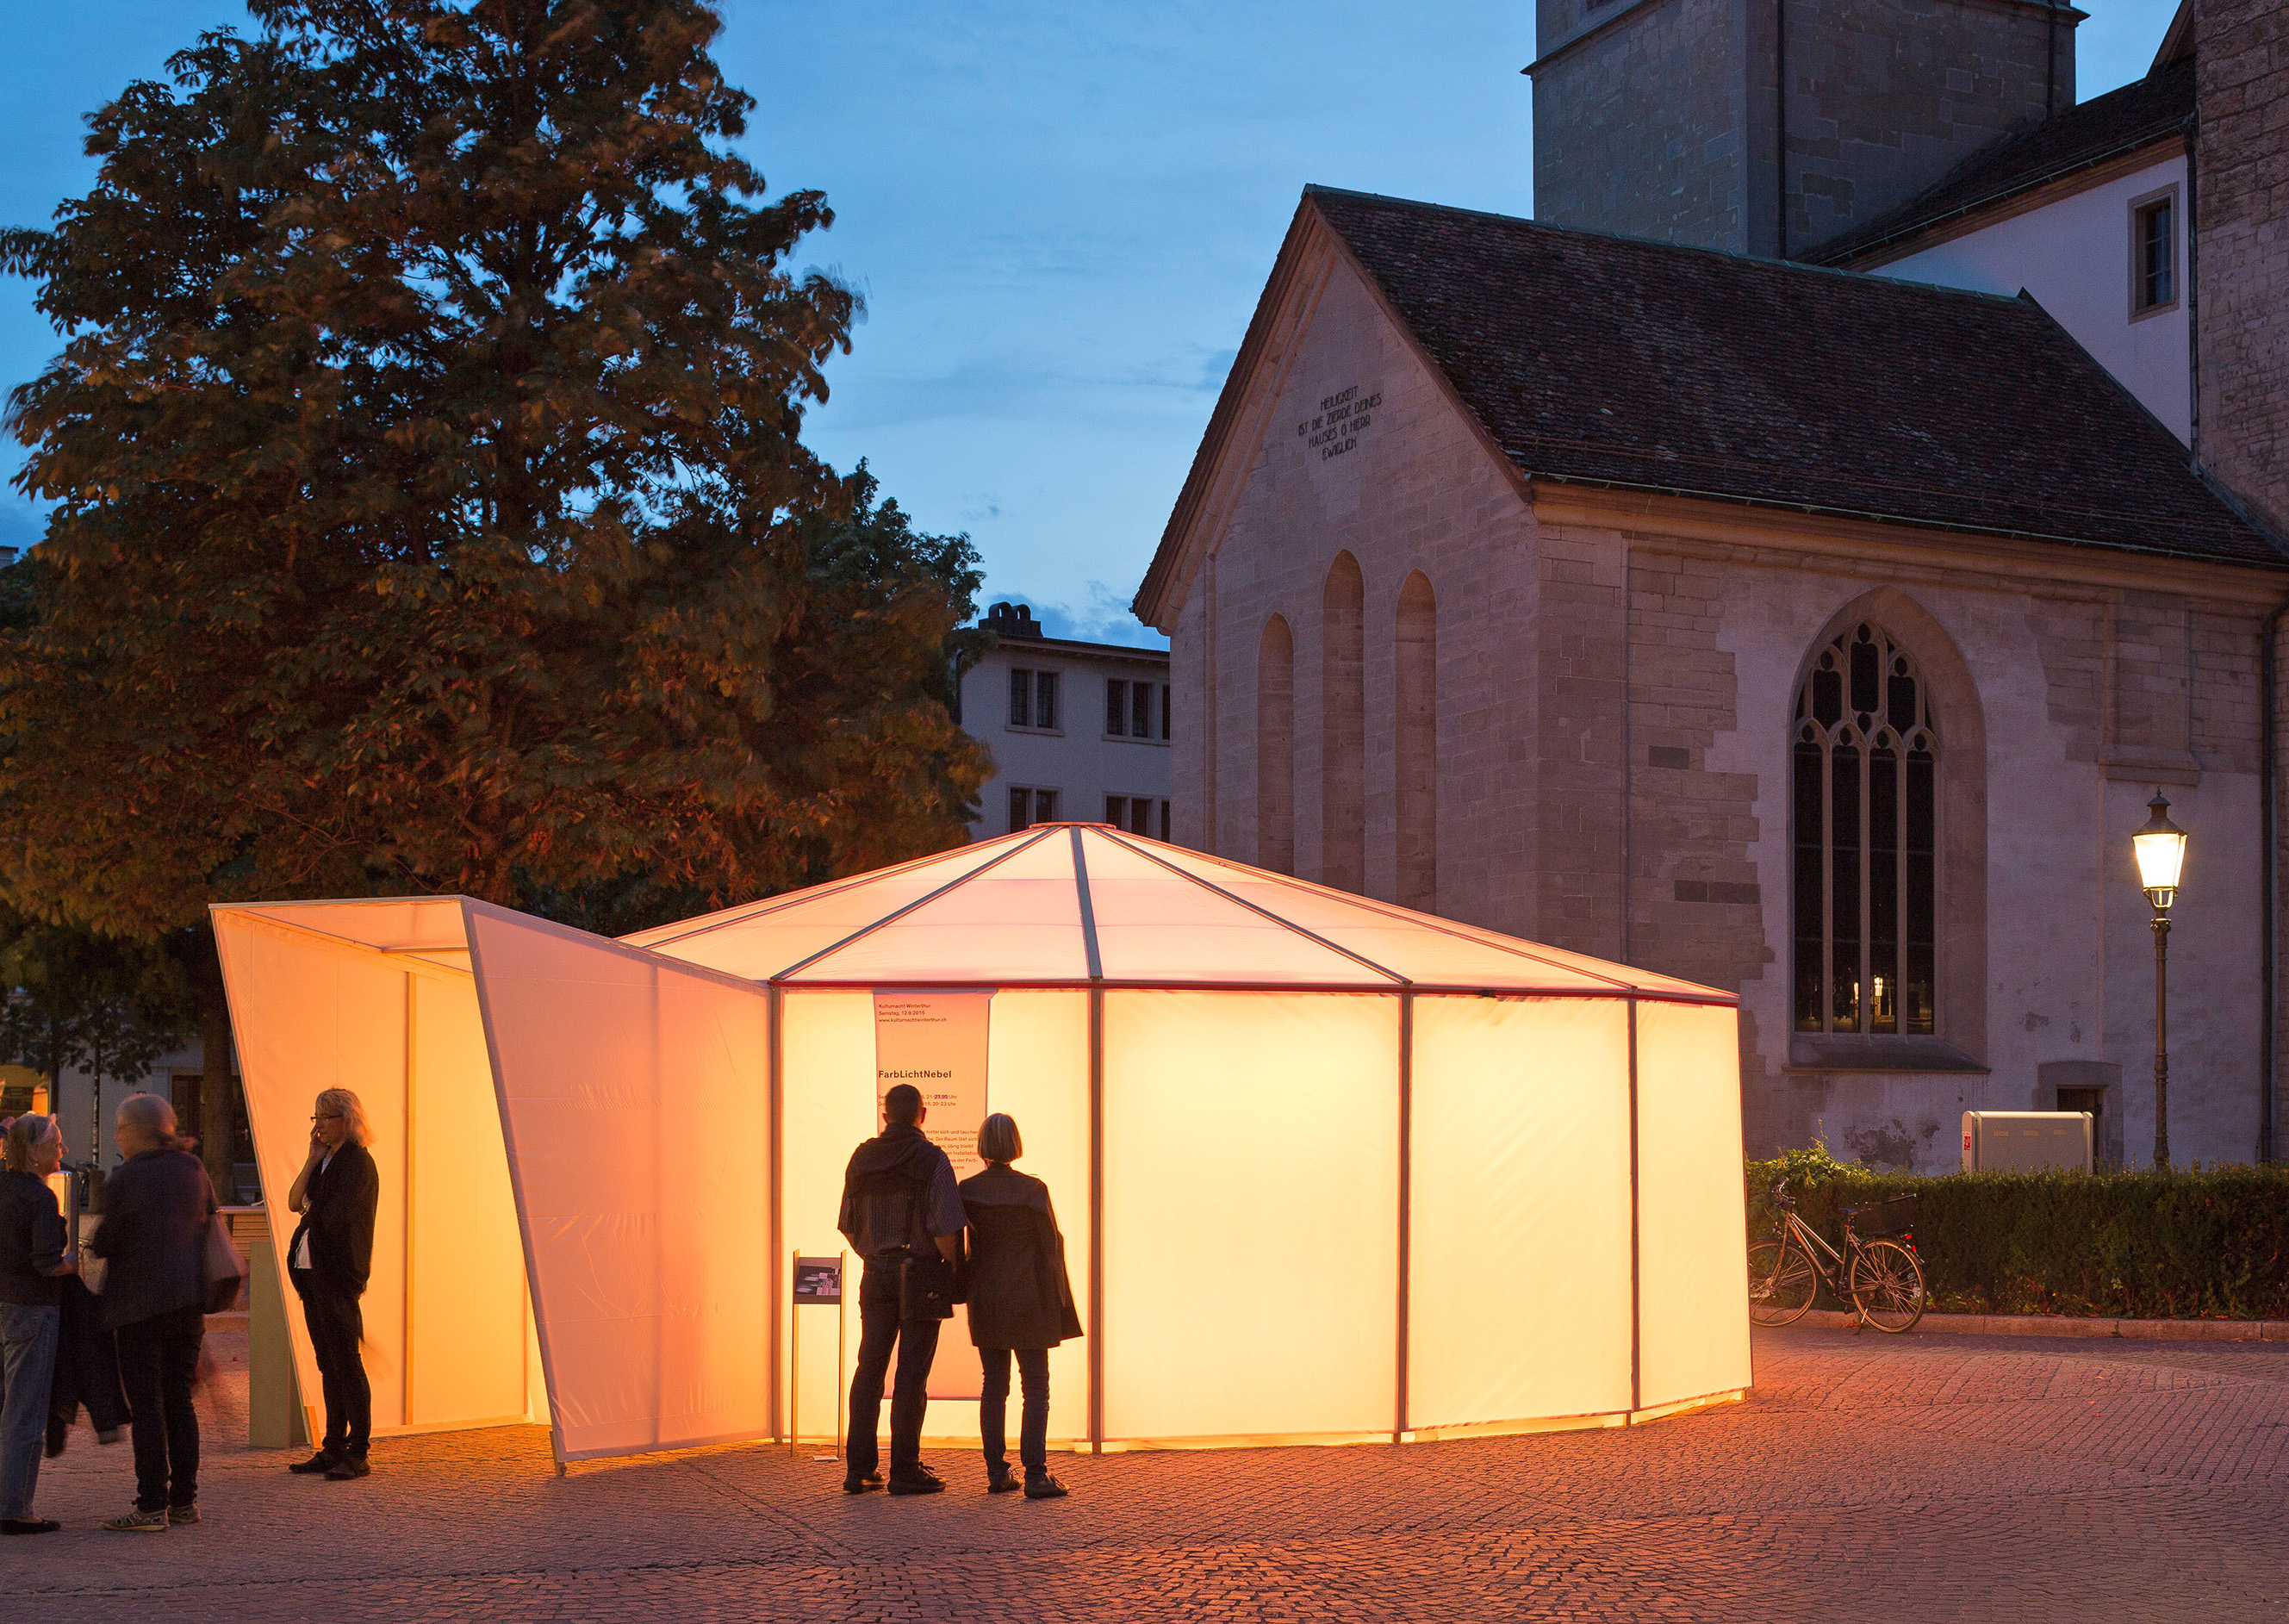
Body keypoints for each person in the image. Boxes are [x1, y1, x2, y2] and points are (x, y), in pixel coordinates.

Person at [89, 1092, 216, 1534]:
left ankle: (150, 1506)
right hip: (188, 1302)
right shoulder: (193, 1169)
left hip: (139, 1306)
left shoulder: (126, 1179)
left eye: (120, 1129)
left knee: (147, 1406)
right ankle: (184, 1502)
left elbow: (106, 1241)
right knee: (179, 1399)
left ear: (136, 1131)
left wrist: (93, 1245)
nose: (117, 1137)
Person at [837, 1083, 965, 1496]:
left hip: (874, 1274)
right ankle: (904, 1470)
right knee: (912, 1373)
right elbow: (947, 1229)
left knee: (869, 1367)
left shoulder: (861, 1159)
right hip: (922, 1275)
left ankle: (859, 1469)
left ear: (886, 1116)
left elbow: (849, 1225)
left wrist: (876, 1255)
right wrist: (953, 1266)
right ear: (922, 1115)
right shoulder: (932, 1160)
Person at [958, 1113, 1079, 1500]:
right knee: (1036, 1388)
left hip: (987, 1297)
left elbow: (960, 1247)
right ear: (1015, 1144)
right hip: (1031, 1297)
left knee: (994, 1387)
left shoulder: (967, 1191)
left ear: (982, 1145)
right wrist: (1059, 1303)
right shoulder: (1033, 1190)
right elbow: (1050, 1248)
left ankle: (997, 1472)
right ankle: (1036, 1474)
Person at [284, 1087, 379, 1481]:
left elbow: (337, 1217)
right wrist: (310, 1160)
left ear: (348, 1120)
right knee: (327, 1364)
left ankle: (358, 1451)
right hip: (311, 1274)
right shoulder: (325, 1162)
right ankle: (332, 1445)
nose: (319, 1125)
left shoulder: (357, 1162)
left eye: (326, 1117)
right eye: (316, 1118)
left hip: (337, 1275)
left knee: (347, 1363)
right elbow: (294, 1202)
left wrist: (313, 1208)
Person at [0, 1115, 77, 1534]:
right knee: (25, 1412)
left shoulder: (4, 1187)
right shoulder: (40, 1198)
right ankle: (14, 1508)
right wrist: (76, 1268)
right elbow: (46, 1262)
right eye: (56, 1144)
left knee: (6, 1407)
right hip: (32, 1309)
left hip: (3, 1303)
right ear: (33, 1152)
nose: (61, 1151)